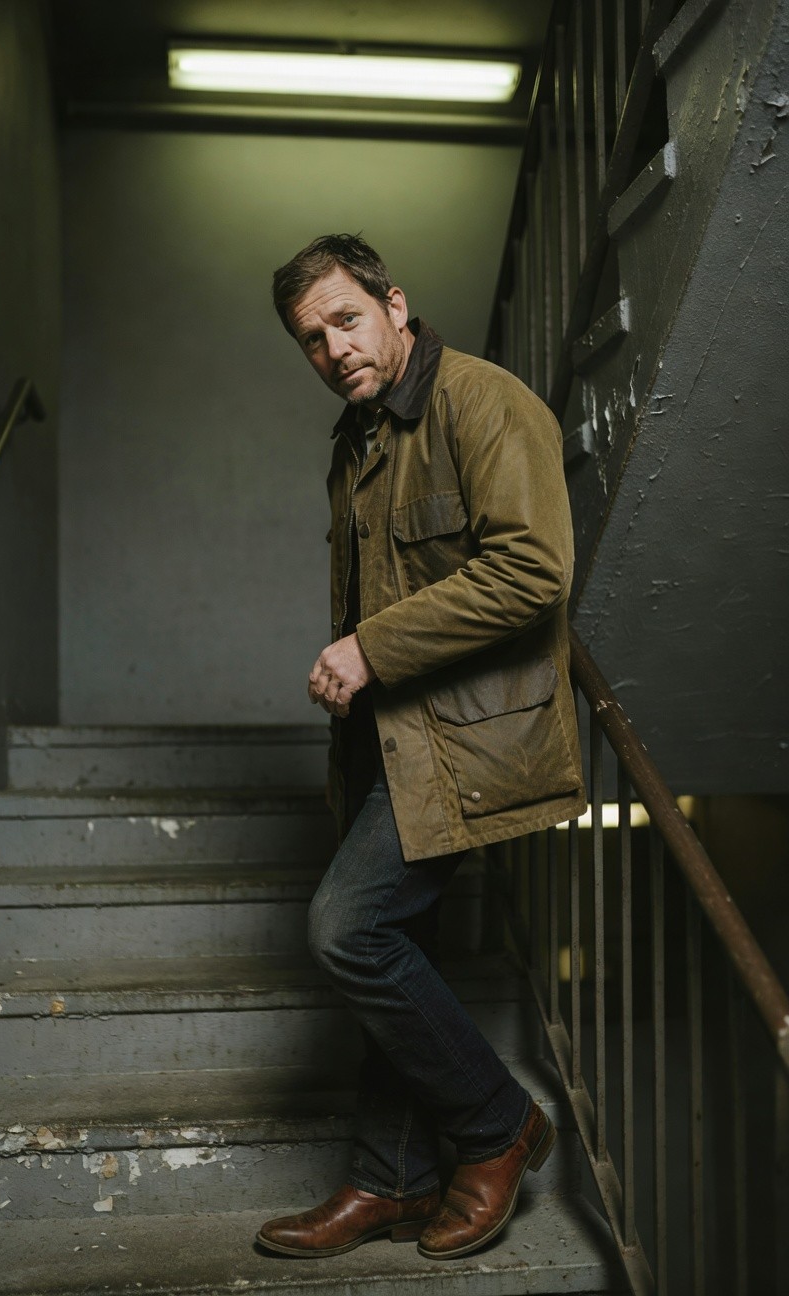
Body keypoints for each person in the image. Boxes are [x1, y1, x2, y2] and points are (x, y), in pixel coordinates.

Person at [257, 234, 585, 1262]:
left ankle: (498, 1125)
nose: (333, 348)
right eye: (311, 339)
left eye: (346, 319)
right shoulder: (356, 442)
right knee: (398, 954)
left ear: (396, 306)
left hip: (463, 740)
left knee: (348, 931)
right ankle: (387, 1177)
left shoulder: (485, 403)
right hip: (382, 747)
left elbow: (534, 571)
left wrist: (368, 648)